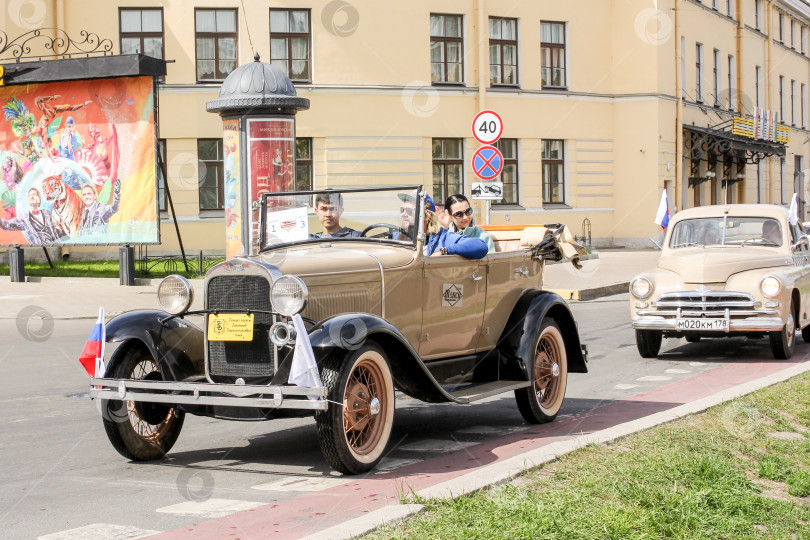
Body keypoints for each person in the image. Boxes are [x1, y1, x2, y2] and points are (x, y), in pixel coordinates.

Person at [399, 191, 488, 259]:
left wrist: (443, 251)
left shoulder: (443, 238)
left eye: (409, 211)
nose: (403, 214)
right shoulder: (397, 237)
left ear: (425, 215)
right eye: (402, 210)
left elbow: (481, 246)